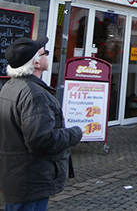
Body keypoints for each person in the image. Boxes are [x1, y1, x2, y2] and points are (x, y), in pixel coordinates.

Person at [0, 37, 83, 210]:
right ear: (36, 63)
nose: (48, 55)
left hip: (16, 174)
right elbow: (42, 140)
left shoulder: (10, 86)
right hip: (30, 178)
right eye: (44, 53)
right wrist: (75, 133)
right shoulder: (34, 94)